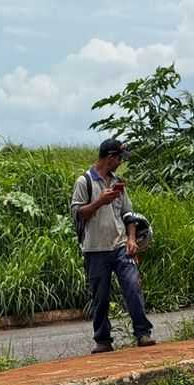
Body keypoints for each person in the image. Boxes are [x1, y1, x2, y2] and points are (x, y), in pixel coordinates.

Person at [70, 139, 155, 354]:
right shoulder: (84, 182)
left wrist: (132, 238)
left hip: (120, 246)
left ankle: (143, 333)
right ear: (110, 157)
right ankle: (103, 340)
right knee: (100, 297)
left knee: (132, 286)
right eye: (119, 158)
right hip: (95, 249)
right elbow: (78, 214)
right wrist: (100, 201)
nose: (120, 163)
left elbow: (128, 215)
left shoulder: (119, 183)